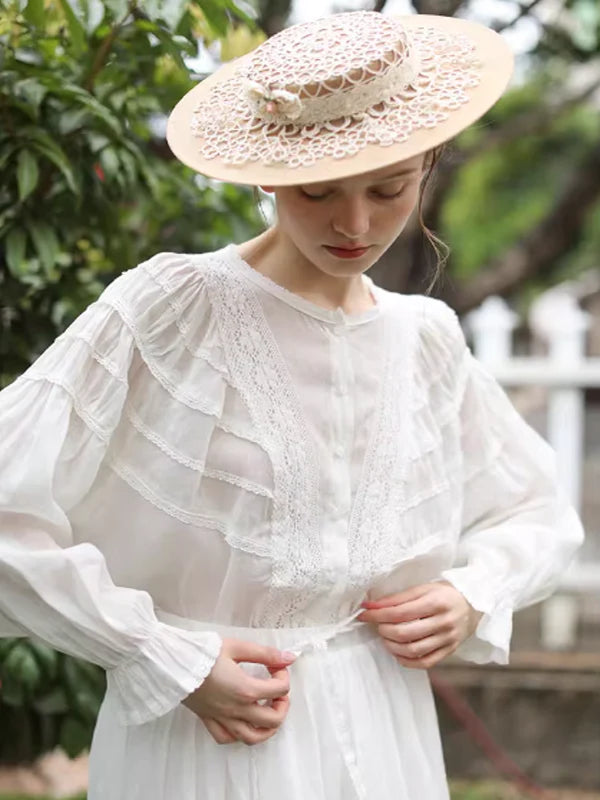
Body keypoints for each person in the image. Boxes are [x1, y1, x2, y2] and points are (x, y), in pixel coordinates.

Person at [0, 10, 584, 800]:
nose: (355, 224)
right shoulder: (175, 304)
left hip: (385, 735)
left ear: (429, 165)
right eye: (318, 193)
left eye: (389, 189)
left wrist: (474, 596)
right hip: (208, 736)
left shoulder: (425, 336)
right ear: (269, 173)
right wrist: (161, 656)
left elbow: (539, 510)